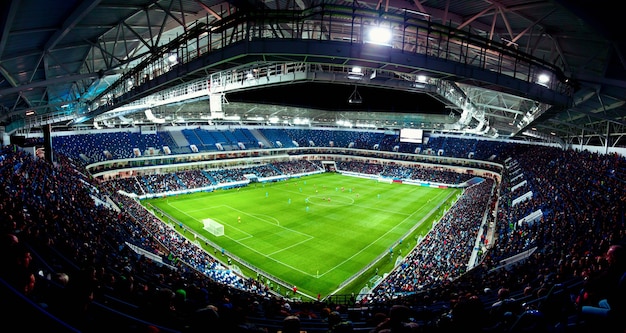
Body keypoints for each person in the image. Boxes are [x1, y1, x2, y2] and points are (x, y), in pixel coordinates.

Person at [578, 244, 626, 332]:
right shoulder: (620, 267)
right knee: (600, 302)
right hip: (617, 304)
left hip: (617, 311)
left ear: (614, 258)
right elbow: (602, 274)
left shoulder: (612, 271)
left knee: (582, 309)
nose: (606, 258)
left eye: (608, 256)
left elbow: (591, 285)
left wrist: (585, 278)